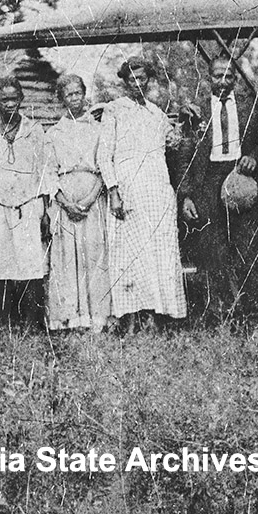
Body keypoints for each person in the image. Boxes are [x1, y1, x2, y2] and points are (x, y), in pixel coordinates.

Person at [98, 56, 187, 327]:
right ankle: (132, 317)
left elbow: (172, 144)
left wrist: (179, 132)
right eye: (132, 79)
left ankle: (158, 314)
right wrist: (114, 191)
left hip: (157, 188)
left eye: (143, 78)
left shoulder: (156, 112)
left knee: (159, 252)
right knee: (129, 253)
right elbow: (105, 155)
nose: (138, 83)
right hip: (128, 187)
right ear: (125, 81)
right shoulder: (114, 110)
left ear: (149, 80)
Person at [175, 56, 258, 322]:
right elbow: (186, 154)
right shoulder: (196, 110)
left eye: (228, 77)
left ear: (236, 80)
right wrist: (187, 195)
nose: (223, 82)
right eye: (217, 76)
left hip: (240, 178)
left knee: (246, 249)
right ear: (208, 78)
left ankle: (253, 316)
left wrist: (254, 157)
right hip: (208, 182)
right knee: (212, 251)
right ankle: (220, 317)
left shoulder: (251, 107)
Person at [0, 76, 54, 328]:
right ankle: (3, 321)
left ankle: (32, 322)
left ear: (21, 99)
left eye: (14, 98)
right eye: (4, 100)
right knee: (0, 265)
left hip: (29, 205)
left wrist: (44, 212)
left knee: (32, 265)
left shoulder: (34, 130)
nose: (9, 104)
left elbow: (43, 169)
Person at [44, 74, 112, 332]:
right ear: (61, 99)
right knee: (67, 257)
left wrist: (91, 197)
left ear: (84, 94)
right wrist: (65, 202)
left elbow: (105, 165)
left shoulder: (98, 129)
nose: (74, 99)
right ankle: (70, 317)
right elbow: (49, 173)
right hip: (66, 202)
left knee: (93, 255)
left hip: (92, 200)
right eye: (69, 95)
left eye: (78, 93)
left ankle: (97, 318)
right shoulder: (54, 133)